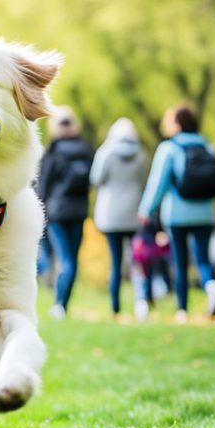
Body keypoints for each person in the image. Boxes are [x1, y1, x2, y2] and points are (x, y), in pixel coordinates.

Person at [138, 105, 215, 323]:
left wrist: (146, 209)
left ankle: (182, 310)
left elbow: (158, 182)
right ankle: (211, 286)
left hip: (177, 214)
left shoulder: (169, 147)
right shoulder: (207, 145)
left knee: (180, 262)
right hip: (205, 212)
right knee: (203, 259)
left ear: (176, 123)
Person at [37, 106, 94, 319]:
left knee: (64, 259)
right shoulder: (87, 149)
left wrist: (39, 209)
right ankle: (63, 304)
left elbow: (43, 184)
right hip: (79, 211)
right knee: (73, 259)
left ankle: (59, 305)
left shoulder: (54, 150)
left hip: (56, 212)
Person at [89, 117, 148, 319]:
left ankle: (115, 307)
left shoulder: (106, 152)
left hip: (110, 214)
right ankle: (141, 302)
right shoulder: (141, 154)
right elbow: (143, 180)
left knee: (116, 262)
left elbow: (95, 179)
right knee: (136, 260)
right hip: (133, 212)